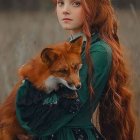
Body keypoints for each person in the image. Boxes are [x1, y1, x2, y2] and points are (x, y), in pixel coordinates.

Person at [16, 0, 135, 140]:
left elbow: (66, 104)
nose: (65, 10)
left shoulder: (99, 51)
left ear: (94, 7)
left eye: (76, 3)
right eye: (61, 3)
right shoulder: (70, 48)